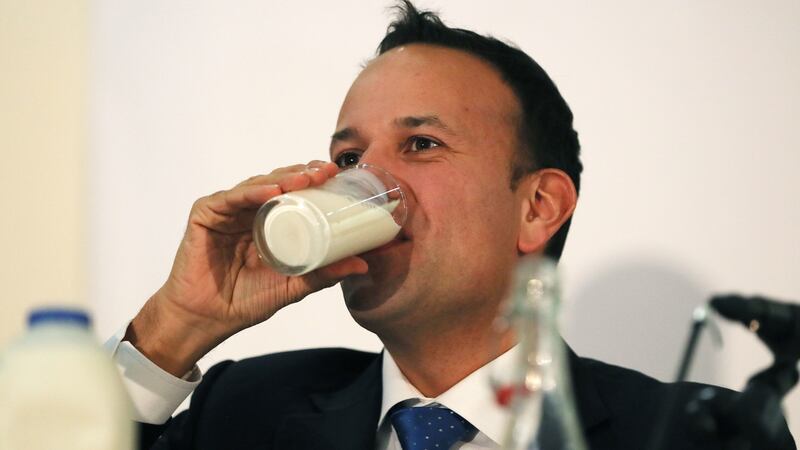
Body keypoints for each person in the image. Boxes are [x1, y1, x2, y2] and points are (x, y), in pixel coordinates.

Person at [106, 2, 794, 449]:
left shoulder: (691, 436)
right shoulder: (249, 414)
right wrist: (178, 326)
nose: (365, 181)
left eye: (421, 145)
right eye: (349, 156)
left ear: (537, 208)